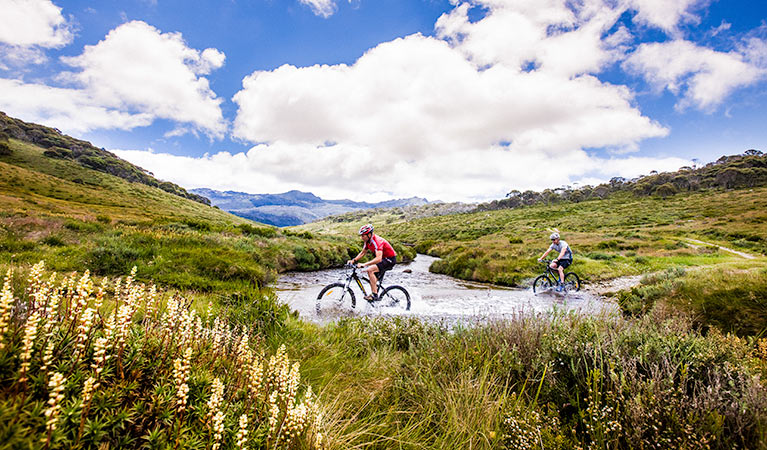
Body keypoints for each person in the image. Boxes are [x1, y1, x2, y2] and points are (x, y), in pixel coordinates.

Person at [347, 224, 397, 301]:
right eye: (361, 235)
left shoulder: (377, 241)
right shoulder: (367, 241)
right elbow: (363, 253)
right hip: (383, 259)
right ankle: (376, 299)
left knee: (370, 270)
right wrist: (353, 260)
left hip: (389, 259)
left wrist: (364, 264)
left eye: (363, 235)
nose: (361, 237)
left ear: (369, 234)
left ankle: (374, 295)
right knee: (372, 279)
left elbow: (378, 259)